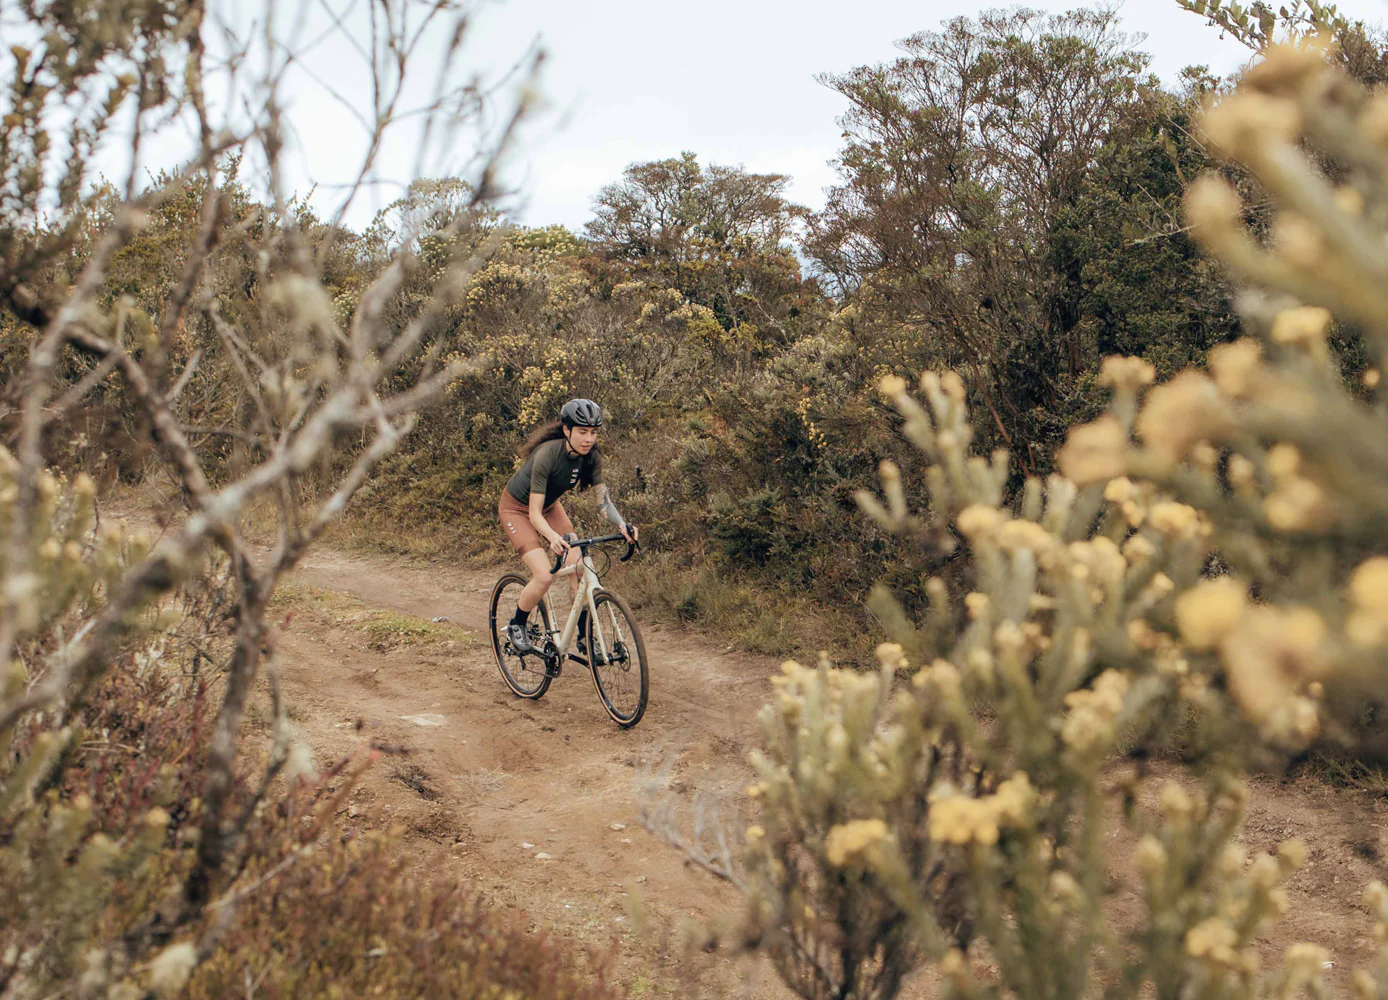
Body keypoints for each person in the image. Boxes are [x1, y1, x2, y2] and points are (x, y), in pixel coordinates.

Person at [498, 398, 638, 654]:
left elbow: (603, 502)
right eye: (582, 432)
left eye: (593, 433)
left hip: (549, 506)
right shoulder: (547, 455)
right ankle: (517, 623)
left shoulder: (591, 457)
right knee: (544, 575)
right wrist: (552, 537)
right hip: (517, 509)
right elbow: (533, 513)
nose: (588, 439)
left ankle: (584, 633)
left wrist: (622, 525)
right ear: (566, 430)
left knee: (581, 566)